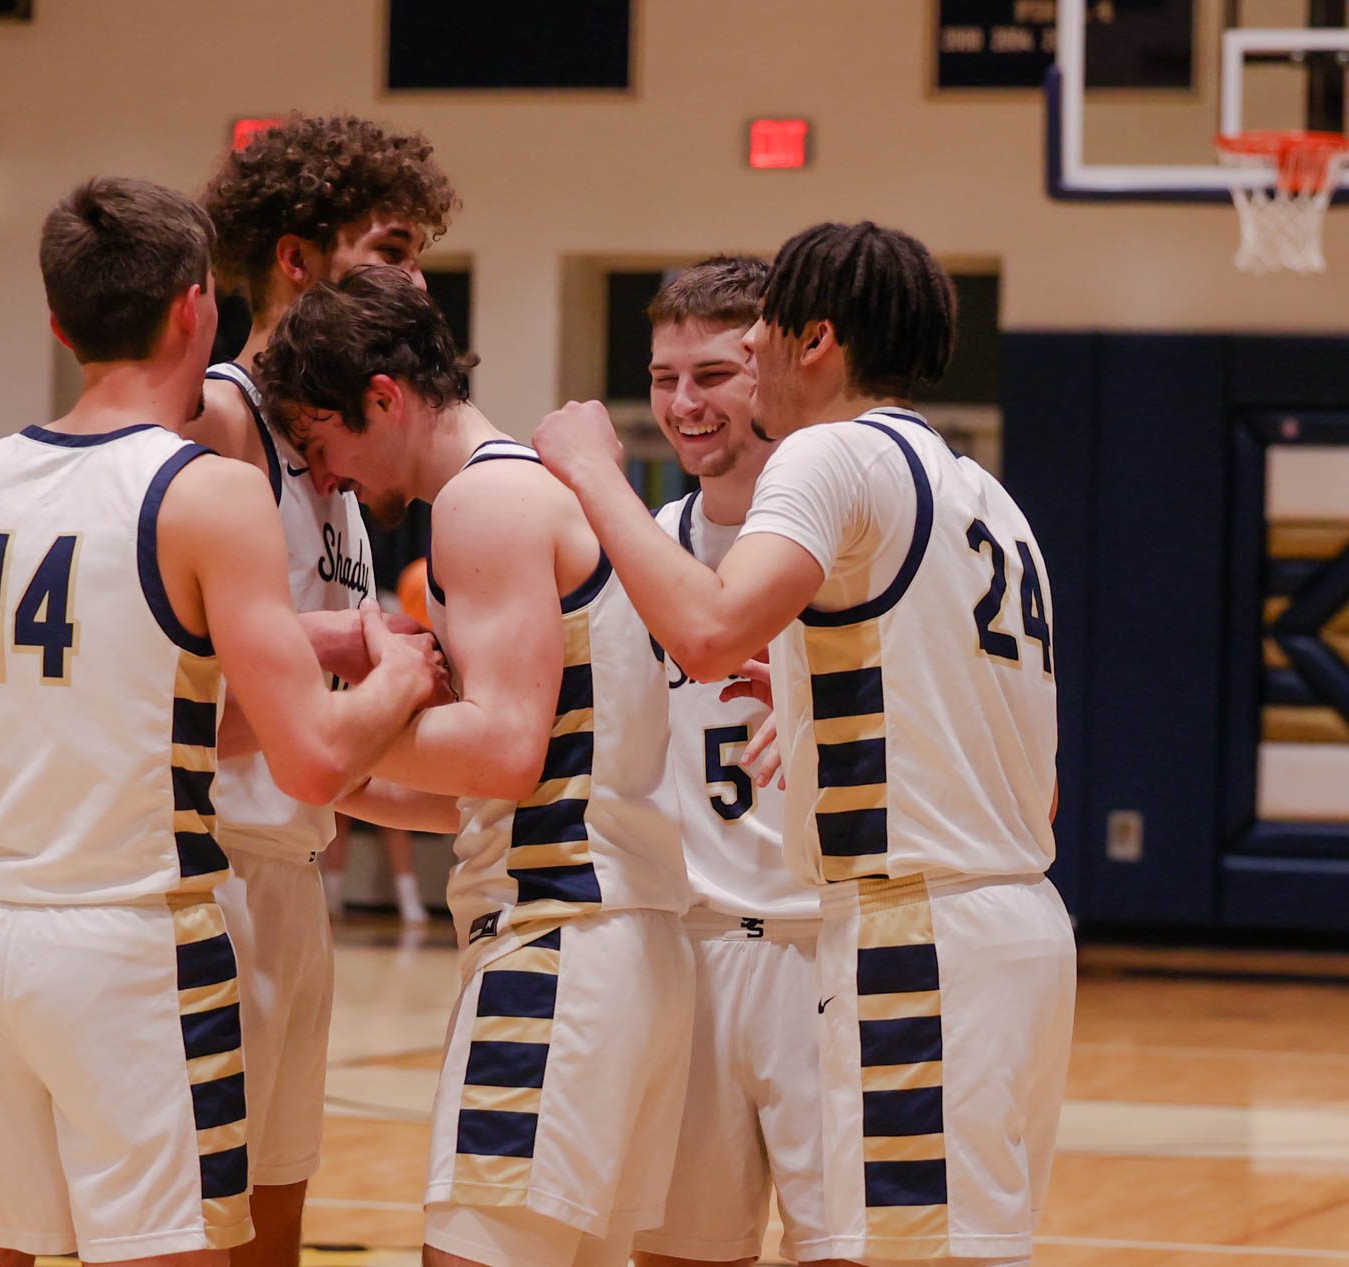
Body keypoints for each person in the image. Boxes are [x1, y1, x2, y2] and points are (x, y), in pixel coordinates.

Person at [0, 176, 444, 1267]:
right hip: (131, 942)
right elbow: (314, 757)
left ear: (59, 324)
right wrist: (402, 672)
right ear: (197, 307)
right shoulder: (205, 490)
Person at [535, 221, 1074, 1267]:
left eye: (759, 336)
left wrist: (593, 472)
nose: (749, 359)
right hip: (1005, 928)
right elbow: (1034, 782)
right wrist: (809, 696)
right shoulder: (983, 497)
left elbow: (704, 632)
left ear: (814, 339)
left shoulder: (833, 452)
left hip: (917, 933)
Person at [256, 265, 692, 1267]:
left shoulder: (482, 500)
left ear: (384, 399)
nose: (329, 478)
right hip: (622, 943)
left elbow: (501, 750)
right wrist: (341, 769)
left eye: (324, 445)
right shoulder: (527, 493)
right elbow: (507, 785)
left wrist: (332, 718)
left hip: (556, 944)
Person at [195, 111, 458, 1265]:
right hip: (199, 874)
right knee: (192, 1231)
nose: (417, 281)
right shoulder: (216, 421)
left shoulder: (337, 458)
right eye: (391, 249)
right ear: (295, 259)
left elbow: (315, 745)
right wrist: (371, 672)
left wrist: (477, 802)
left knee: (274, 1230)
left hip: (289, 872)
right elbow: (184, 705)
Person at [617, 257, 844, 1267]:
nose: (682, 403)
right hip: (690, 949)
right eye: (663, 378)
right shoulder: (643, 551)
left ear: (770, 365)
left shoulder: (853, 544)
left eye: (711, 374)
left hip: (826, 947)